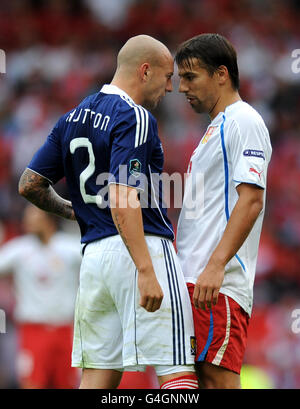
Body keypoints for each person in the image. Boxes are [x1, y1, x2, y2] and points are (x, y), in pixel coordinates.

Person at [18, 35, 198, 389]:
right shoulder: (135, 116)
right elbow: (122, 196)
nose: (171, 88)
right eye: (166, 77)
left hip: (94, 257)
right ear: (144, 71)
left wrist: (76, 212)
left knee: (98, 378)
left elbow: (29, 184)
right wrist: (146, 270)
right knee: (176, 370)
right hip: (141, 248)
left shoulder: (71, 118)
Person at [175, 33, 272, 388]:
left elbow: (251, 200)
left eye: (190, 77)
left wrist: (215, 265)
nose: (182, 87)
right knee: (195, 385)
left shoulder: (243, 121)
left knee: (217, 382)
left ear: (221, 74)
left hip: (217, 284)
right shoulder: (215, 129)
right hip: (196, 281)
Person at [0, 204, 81, 388]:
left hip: (66, 331)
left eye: (33, 214)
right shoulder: (19, 249)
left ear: (48, 218)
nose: (27, 219)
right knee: (32, 384)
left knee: (67, 384)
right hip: (32, 331)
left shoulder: (70, 248)